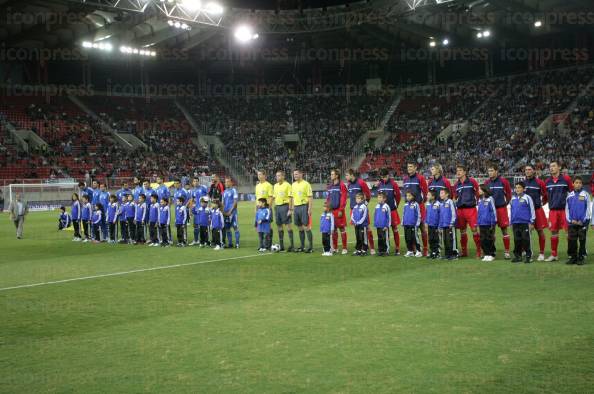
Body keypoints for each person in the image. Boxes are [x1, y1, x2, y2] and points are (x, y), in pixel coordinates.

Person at [544, 161, 573, 261]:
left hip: (565, 210)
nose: (551, 168)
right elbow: (545, 196)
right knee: (554, 232)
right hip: (553, 211)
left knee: (569, 232)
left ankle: (571, 254)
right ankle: (554, 255)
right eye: (550, 166)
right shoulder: (547, 181)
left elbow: (572, 193)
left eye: (553, 166)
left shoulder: (566, 179)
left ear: (559, 167)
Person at [484, 164, 512, 259]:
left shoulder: (503, 181)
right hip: (490, 210)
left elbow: (509, 194)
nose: (490, 173)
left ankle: (507, 252)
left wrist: (504, 203)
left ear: (496, 171)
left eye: (492, 170)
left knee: (504, 230)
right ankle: (493, 251)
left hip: (501, 209)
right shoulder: (487, 182)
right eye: (489, 171)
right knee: (491, 231)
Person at [453, 164, 481, 258]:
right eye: (457, 170)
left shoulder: (472, 181)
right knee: (462, 231)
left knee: (474, 230)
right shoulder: (456, 184)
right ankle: (464, 251)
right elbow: (455, 196)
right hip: (460, 210)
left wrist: (476, 202)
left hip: (471, 209)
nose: (458, 172)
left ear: (465, 172)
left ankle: (478, 251)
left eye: (460, 170)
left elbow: (478, 192)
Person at [346, 168, 375, 254]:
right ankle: (359, 248)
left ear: (352, 175)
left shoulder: (361, 183)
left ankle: (372, 247)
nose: (346, 177)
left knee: (367, 228)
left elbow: (368, 195)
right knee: (357, 228)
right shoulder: (349, 184)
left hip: (362, 210)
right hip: (353, 210)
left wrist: (363, 206)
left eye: (347, 175)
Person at [403, 162, 429, 256]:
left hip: (419, 206)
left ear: (415, 167)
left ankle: (425, 249)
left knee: (422, 227)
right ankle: (413, 249)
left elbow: (425, 192)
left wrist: (421, 202)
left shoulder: (420, 178)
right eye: (408, 166)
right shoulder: (405, 179)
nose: (409, 168)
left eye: (411, 166)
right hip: (409, 207)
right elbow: (405, 193)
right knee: (410, 227)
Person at [524, 165, 549, 261]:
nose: (528, 171)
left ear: (534, 171)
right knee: (526, 232)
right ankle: (527, 251)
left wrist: (542, 203)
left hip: (537, 210)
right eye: (526, 170)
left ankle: (542, 253)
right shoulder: (523, 183)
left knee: (540, 231)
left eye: (529, 169)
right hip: (526, 212)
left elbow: (546, 195)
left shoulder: (540, 182)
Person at [565, 176, 591, 265]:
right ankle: (573, 257)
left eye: (580, 183)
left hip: (582, 222)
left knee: (582, 239)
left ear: (582, 184)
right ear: (573, 184)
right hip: (572, 222)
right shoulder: (569, 195)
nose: (578, 184)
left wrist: (583, 220)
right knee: (572, 240)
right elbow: (567, 209)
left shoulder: (585, 194)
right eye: (576, 182)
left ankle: (581, 257)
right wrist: (571, 220)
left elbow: (588, 209)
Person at [376, 168, 401, 255]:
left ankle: (397, 248)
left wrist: (395, 206)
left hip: (392, 211)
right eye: (382, 177)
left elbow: (398, 196)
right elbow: (379, 196)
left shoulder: (393, 184)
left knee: (395, 229)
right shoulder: (380, 184)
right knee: (384, 230)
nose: (383, 178)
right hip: (383, 212)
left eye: (385, 176)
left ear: (388, 175)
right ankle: (385, 248)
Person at [510, 181, 535, 263]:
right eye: (516, 187)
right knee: (517, 240)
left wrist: (532, 222)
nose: (517, 189)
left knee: (526, 240)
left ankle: (529, 256)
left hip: (525, 223)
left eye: (519, 187)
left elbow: (532, 210)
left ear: (523, 189)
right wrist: (511, 222)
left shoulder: (527, 198)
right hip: (515, 223)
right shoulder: (513, 199)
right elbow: (511, 211)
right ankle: (518, 256)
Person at [326, 168, 349, 254]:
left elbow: (344, 198)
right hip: (331, 211)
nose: (331, 176)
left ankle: (344, 248)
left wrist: (341, 209)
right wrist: (327, 209)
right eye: (331, 174)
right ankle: (335, 248)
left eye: (332, 174)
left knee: (342, 229)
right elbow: (328, 199)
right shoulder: (330, 186)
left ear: (337, 176)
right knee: (333, 229)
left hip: (339, 211)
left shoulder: (342, 185)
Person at [292, 169, 314, 253]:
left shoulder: (306, 184)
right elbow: (293, 197)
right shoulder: (293, 185)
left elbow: (310, 197)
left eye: (297, 174)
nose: (295, 176)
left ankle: (310, 247)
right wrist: (293, 208)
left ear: (301, 174)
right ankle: (302, 246)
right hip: (296, 207)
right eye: (294, 174)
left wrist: (309, 209)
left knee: (306, 227)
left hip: (304, 206)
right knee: (299, 227)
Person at [272, 170, 294, 252]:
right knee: (279, 226)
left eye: (279, 176)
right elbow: (274, 197)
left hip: (285, 206)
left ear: (283, 176)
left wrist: (290, 209)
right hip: (277, 207)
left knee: (288, 225)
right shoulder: (275, 186)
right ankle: (281, 246)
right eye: (276, 176)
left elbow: (291, 197)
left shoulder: (287, 185)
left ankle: (292, 245)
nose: (277, 177)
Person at [477, 184, 497, 262]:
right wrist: (478, 222)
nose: (478, 191)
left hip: (489, 223)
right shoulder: (479, 200)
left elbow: (493, 211)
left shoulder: (490, 199)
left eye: (479, 189)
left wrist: (493, 222)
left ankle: (491, 254)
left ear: (484, 190)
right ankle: (486, 254)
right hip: (481, 223)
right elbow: (479, 212)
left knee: (489, 239)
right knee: (483, 240)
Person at [255, 170, 274, 246]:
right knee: (260, 226)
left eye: (260, 174)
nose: (259, 176)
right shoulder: (257, 186)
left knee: (268, 225)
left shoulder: (268, 185)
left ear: (264, 175)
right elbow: (256, 198)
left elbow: (270, 197)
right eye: (258, 174)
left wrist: (268, 208)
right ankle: (262, 244)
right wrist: (256, 208)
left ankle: (268, 244)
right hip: (259, 209)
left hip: (266, 209)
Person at [438, 188, 458, 260]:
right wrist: (440, 224)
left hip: (450, 225)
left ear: (447, 194)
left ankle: (454, 254)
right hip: (443, 225)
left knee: (451, 239)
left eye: (442, 193)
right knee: (445, 240)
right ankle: (447, 254)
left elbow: (453, 213)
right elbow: (441, 215)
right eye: (440, 193)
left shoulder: (450, 202)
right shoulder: (441, 203)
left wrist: (452, 222)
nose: (441, 195)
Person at [402, 191, 422, 258]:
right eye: (407, 196)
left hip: (413, 224)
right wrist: (403, 222)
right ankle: (410, 251)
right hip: (406, 224)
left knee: (414, 238)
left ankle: (418, 251)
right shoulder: (405, 205)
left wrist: (417, 224)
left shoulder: (416, 204)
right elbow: (403, 214)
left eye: (409, 196)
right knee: (407, 238)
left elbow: (418, 214)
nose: (408, 197)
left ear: (413, 196)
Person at [223, 177, 240, 249]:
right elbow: (223, 203)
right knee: (227, 229)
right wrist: (223, 212)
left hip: (233, 213)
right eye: (225, 182)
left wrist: (231, 211)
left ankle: (237, 244)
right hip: (226, 213)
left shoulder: (233, 190)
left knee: (235, 227)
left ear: (231, 183)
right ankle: (230, 244)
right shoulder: (224, 192)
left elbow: (235, 202)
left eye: (228, 182)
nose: (226, 183)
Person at [374, 191, 391, 257]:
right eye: (378, 197)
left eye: (380, 197)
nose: (379, 198)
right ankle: (380, 250)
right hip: (378, 226)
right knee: (380, 238)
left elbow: (389, 217)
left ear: (384, 199)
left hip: (384, 226)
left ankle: (386, 250)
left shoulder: (386, 206)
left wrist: (387, 226)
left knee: (385, 239)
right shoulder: (377, 206)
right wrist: (375, 224)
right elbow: (375, 215)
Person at [425, 190, 441, 259]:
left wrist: (439, 225)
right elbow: (426, 214)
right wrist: (426, 222)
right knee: (430, 239)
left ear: (433, 196)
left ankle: (437, 252)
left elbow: (440, 215)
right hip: (429, 225)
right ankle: (432, 252)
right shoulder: (428, 204)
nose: (427, 196)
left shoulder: (438, 204)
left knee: (436, 239)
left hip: (436, 225)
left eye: (428, 195)